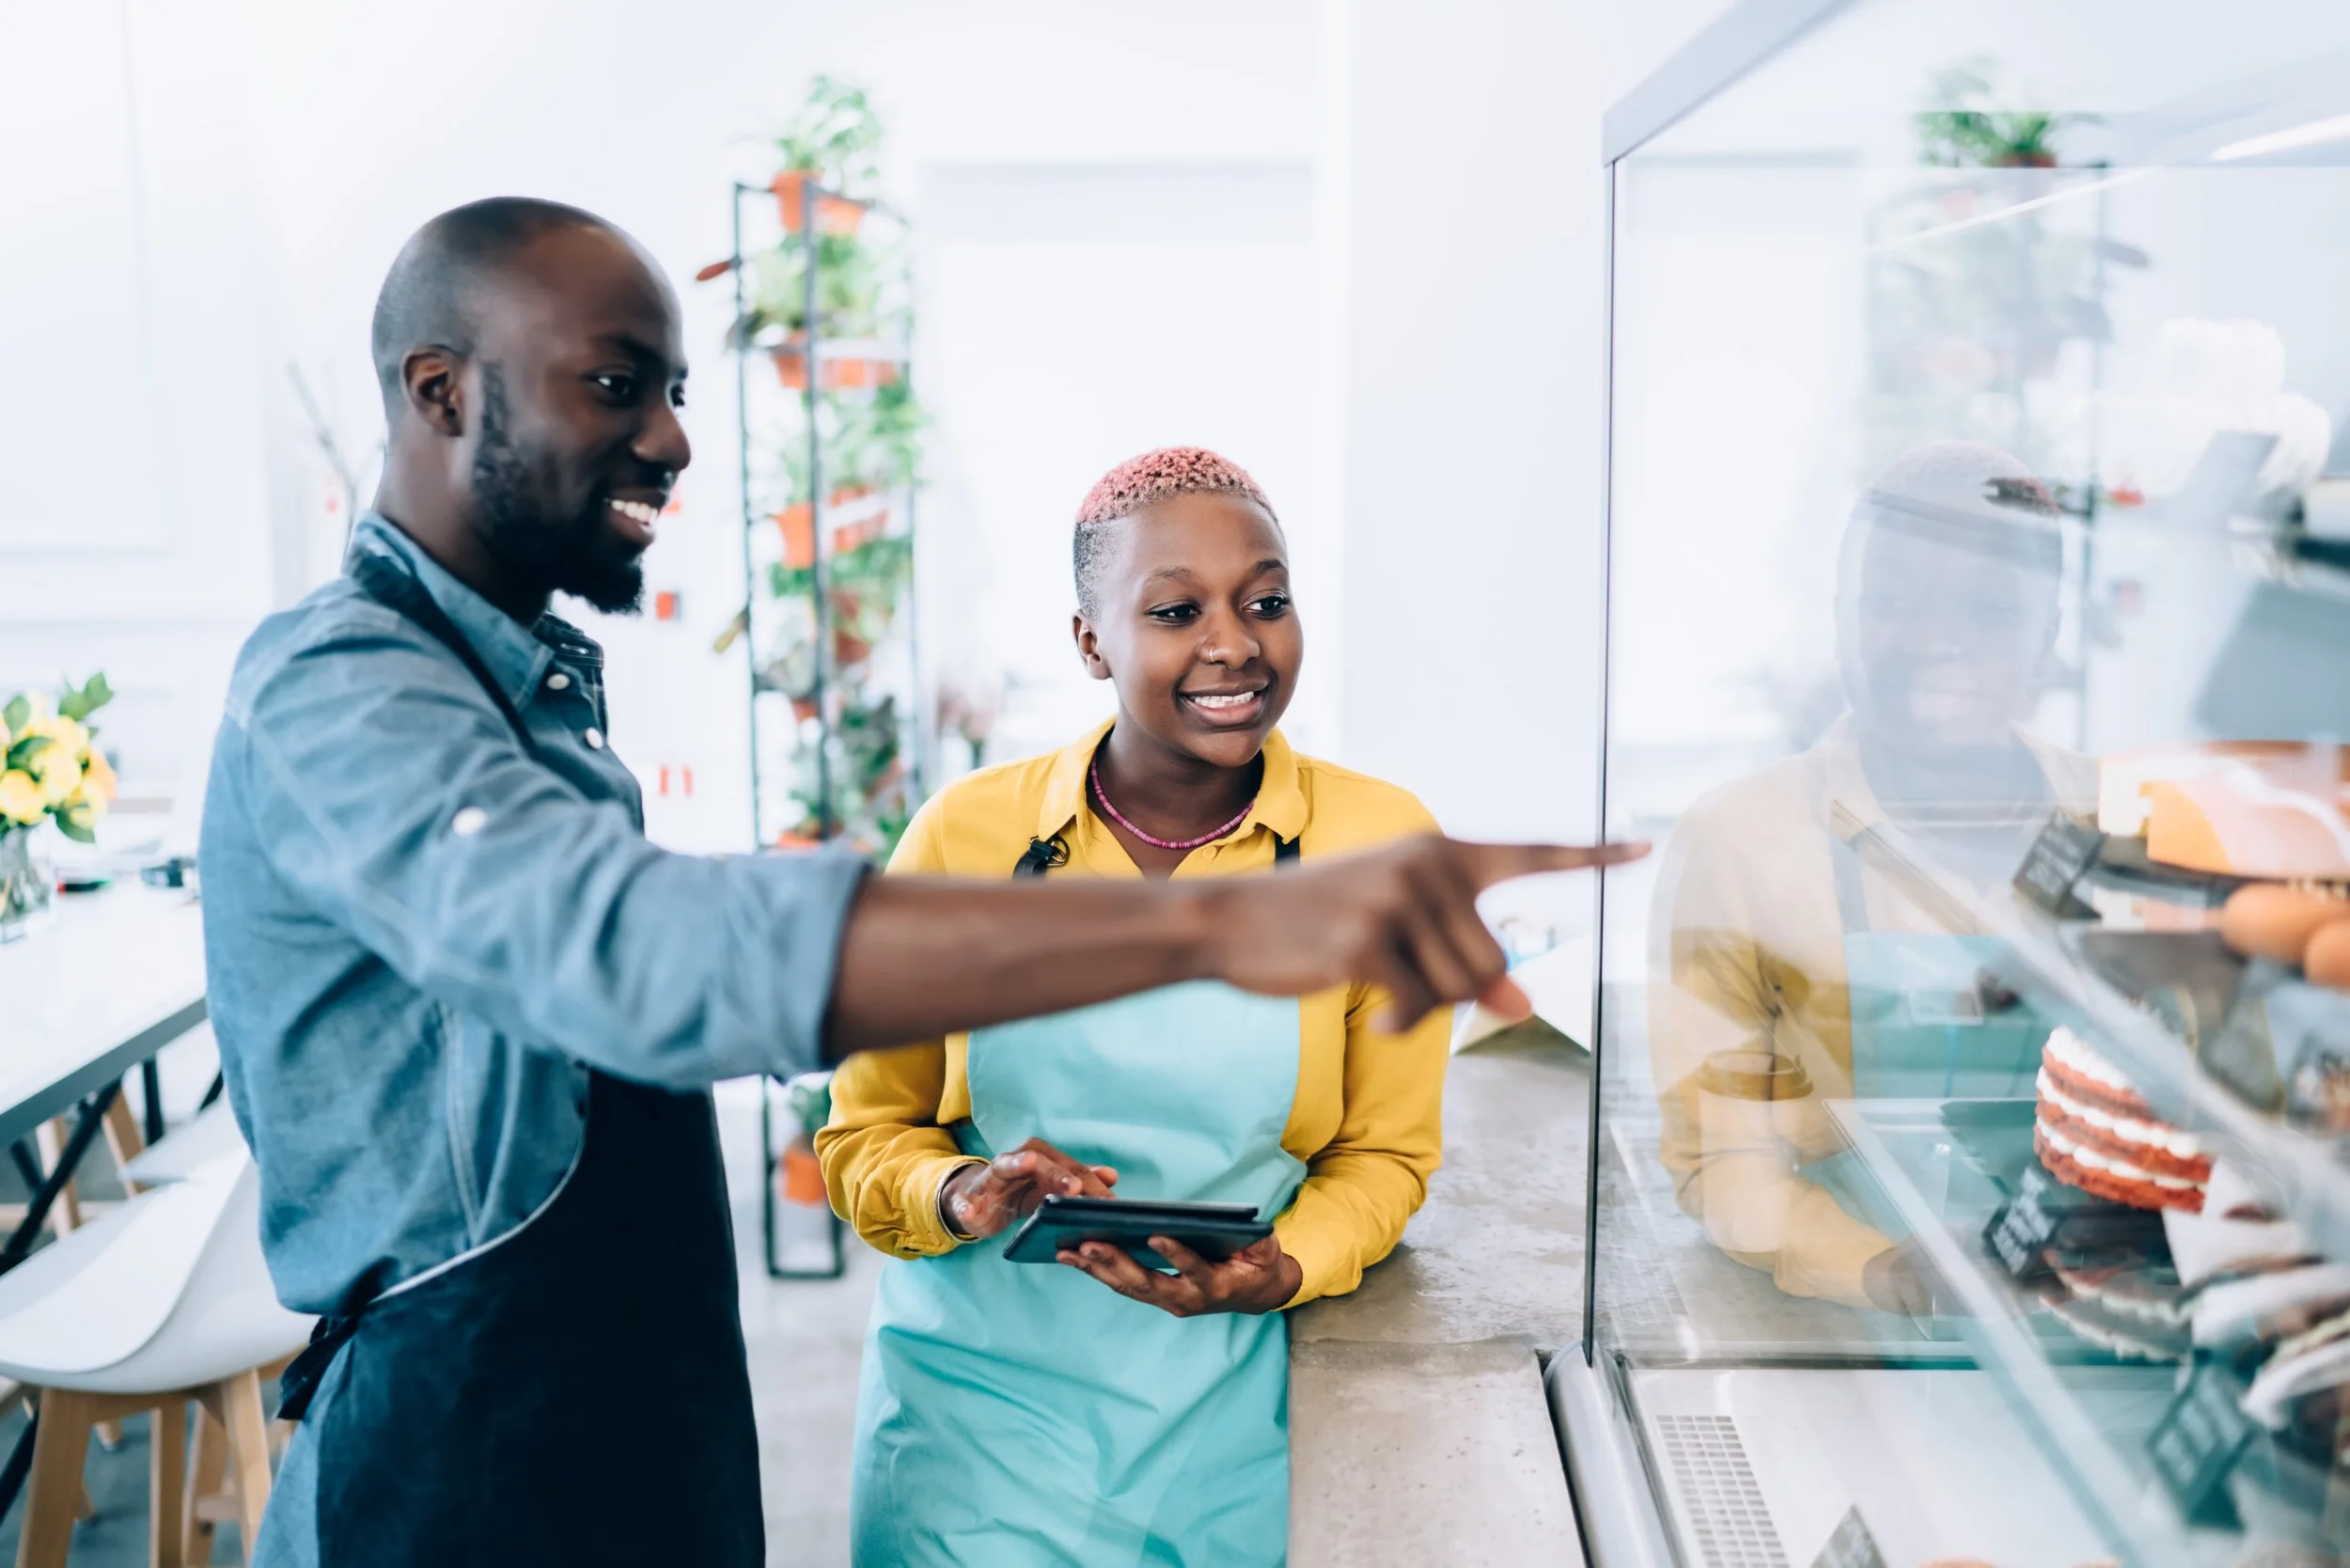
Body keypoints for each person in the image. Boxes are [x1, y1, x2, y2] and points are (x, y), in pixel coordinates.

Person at [196, 198, 1641, 1568]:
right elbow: (626, 950)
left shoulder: (529, 702)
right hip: (463, 1447)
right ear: (443, 391)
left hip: (627, 1407)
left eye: (677, 390)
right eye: (618, 384)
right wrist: (1212, 921)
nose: (676, 441)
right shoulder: (342, 687)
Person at [821, 448, 1446, 1566]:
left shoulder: (1383, 849)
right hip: (972, 1433)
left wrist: (1285, 1266)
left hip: (1220, 1432)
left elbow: (1386, 1158)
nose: (1234, 644)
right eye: (1174, 610)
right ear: (1089, 641)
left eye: (1266, 601)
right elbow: (865, 1139)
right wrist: (961, 1189)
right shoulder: (965, 839)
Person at [1647, 442, 2092, 1314]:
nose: (1933, 641)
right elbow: (1724, 1165)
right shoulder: (1739, 842)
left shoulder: (2116, 824)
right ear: (1844, 620)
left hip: (2098, 1321)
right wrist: (1888, 1269)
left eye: (1988, 610)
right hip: (1839, 1331)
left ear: (2045, 642)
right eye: (1892, 601)